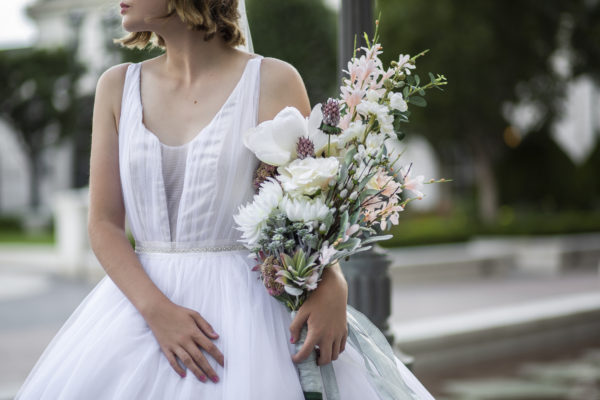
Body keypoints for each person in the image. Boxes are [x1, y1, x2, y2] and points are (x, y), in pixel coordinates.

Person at [15, 0, 436, 398]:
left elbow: (308, 203)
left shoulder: (273, 81)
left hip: (250, 318)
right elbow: (103, 223)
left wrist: (333, 281)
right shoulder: (116, 87)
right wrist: (157, 312)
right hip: (137, 310)